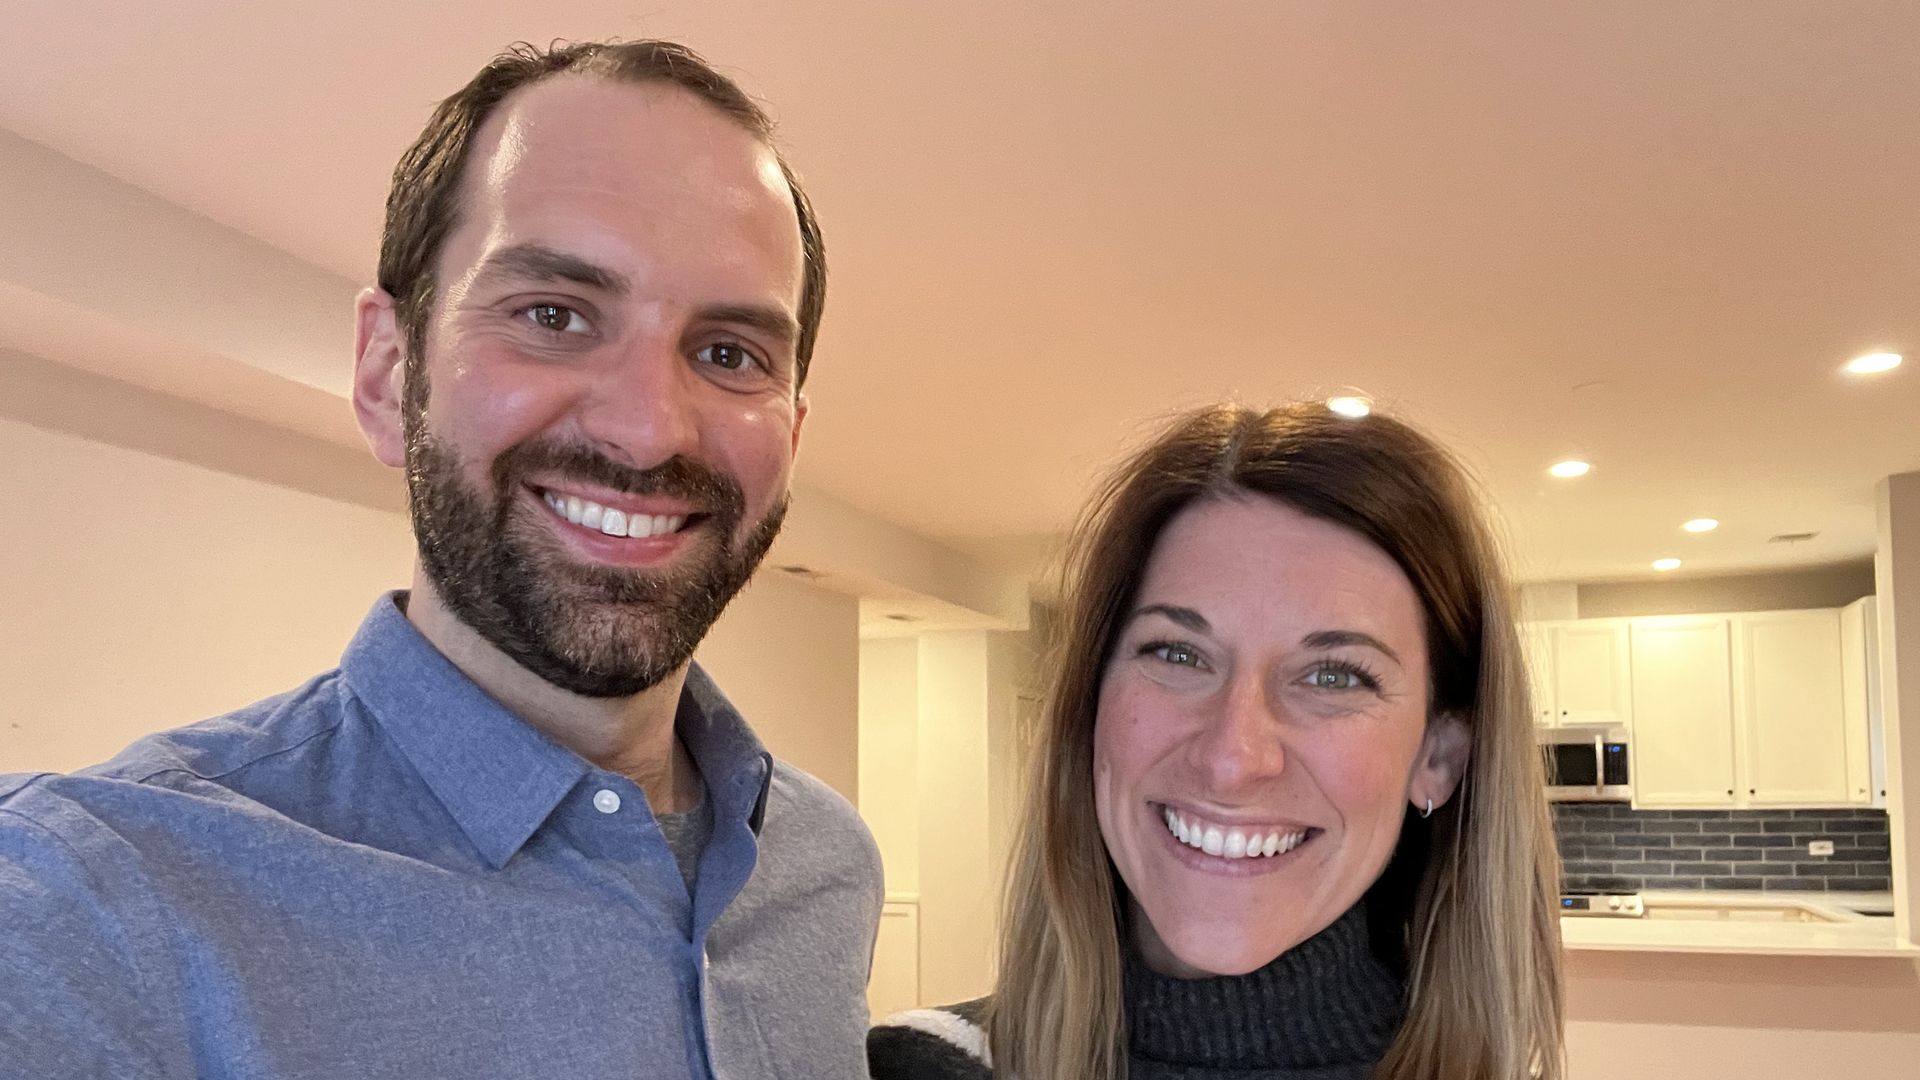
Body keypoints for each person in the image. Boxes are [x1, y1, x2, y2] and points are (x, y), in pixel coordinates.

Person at [0, 40, 881, 1079]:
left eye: (730, 353)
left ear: (793, 431)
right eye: (553, 316)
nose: (649, 431)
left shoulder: (823, 865)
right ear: (385, 373)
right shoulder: (89, 905)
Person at [869, 402, 1565, 1080]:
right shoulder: (911, 1066)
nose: (1232, 758)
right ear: (1091, 703)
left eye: (1332, 675)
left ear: (1439, 756)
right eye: (1177, 654)